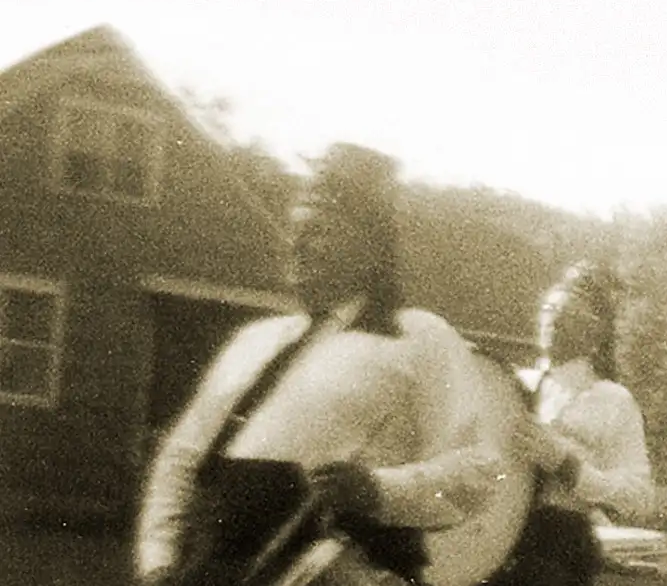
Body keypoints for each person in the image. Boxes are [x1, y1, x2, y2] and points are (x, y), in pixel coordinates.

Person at [135, 144, 508, 585]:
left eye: (321, 230)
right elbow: (181, 459)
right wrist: (158, 562)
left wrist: (378, 491)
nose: (299, 244)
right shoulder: (255, 340)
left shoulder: (418, 336)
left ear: (373, 247)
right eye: (298, 228)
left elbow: (478, 469)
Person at [491, 260, 657, 584]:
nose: (552, 321)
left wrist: (569, 467)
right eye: (548, 309)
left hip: (559, 545)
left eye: (566, 314)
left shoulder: (613, 400)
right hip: (494, 534)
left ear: (595, 333)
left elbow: (640, 497)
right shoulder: (508, 385)